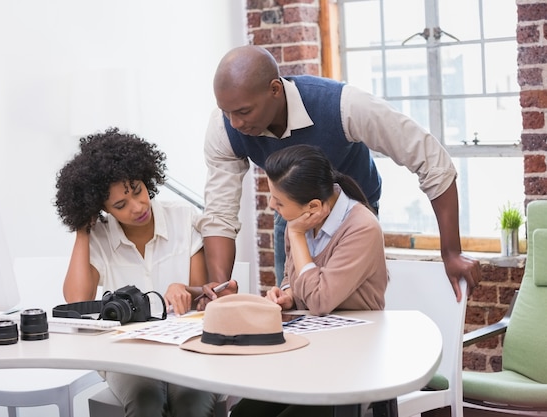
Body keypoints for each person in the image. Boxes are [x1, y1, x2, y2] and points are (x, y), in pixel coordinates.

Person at [195, 44, 480, 302]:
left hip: (352, 216)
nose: (235, 122)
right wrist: (220, 286)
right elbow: (220, 213)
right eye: (227, 112)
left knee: (347, 308)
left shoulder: (345, 105)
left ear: (274, 89)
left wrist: (451, 251)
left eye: (244, 111)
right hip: (293, 218)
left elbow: (430, 159)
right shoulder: (224, 128)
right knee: (295, 305)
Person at [54, 127, 220, 417]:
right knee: (146, 402)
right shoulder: (99, 236)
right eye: (120, 204)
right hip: (126, 355)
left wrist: (183, 289)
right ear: (100, 208)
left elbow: (201, 300)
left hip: (186, 347)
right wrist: (82, 227)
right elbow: (76, 301)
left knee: (192, 403)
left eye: (138, 190)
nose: (138, 206)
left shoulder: (183, 219)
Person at [229, 144, 387, 417]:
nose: (271, 206)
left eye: (279, 201)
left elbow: (320, 300)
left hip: (353, 358)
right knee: (244, 414)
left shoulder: (361, 227)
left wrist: (297, 236)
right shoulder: (301, 219)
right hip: (309, 352)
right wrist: (288, 293)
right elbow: (294, 276)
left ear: (313, 206)